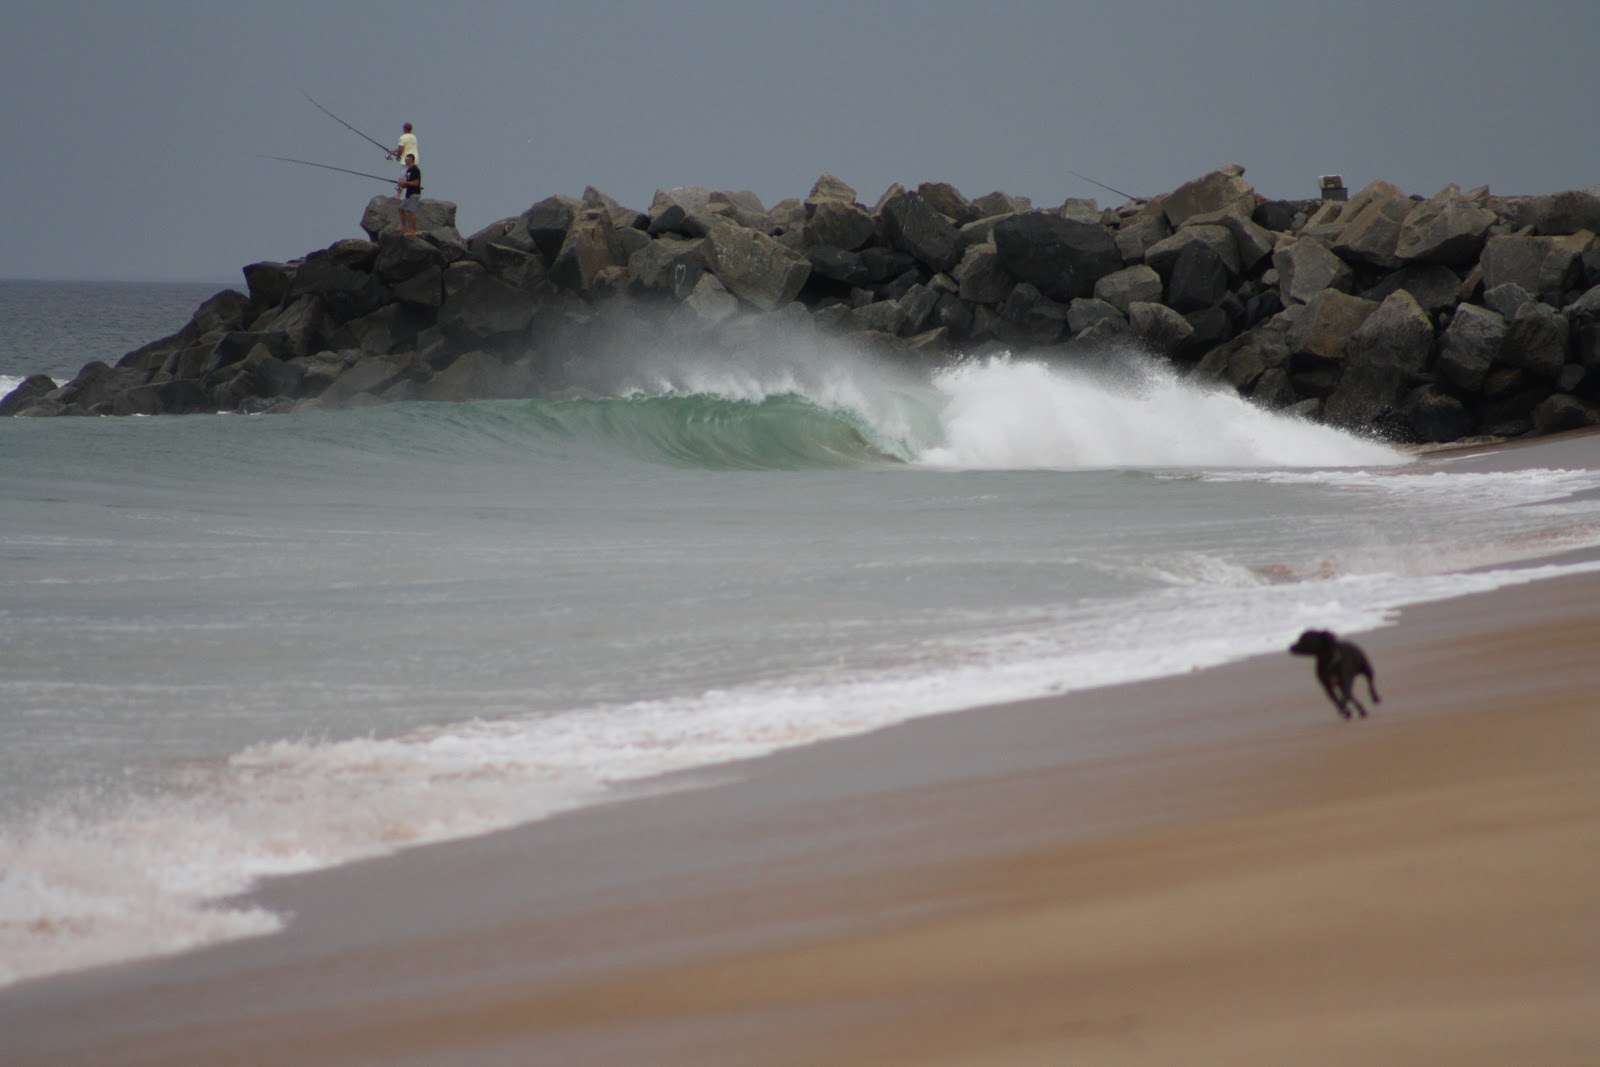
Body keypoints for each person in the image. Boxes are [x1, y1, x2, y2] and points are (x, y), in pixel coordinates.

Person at [396, 153, 423, 236]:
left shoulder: (415, 170)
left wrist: (404, 182)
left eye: (406, 158)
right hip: (408, 194)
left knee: (412, 212)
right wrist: (402, 185)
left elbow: (416, 183)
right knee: (401, 208)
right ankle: (403, 227)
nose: (405, 160)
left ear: (411, 159)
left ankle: (413, 231)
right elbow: (408, 184)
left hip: (414, 194)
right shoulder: (408, 170)